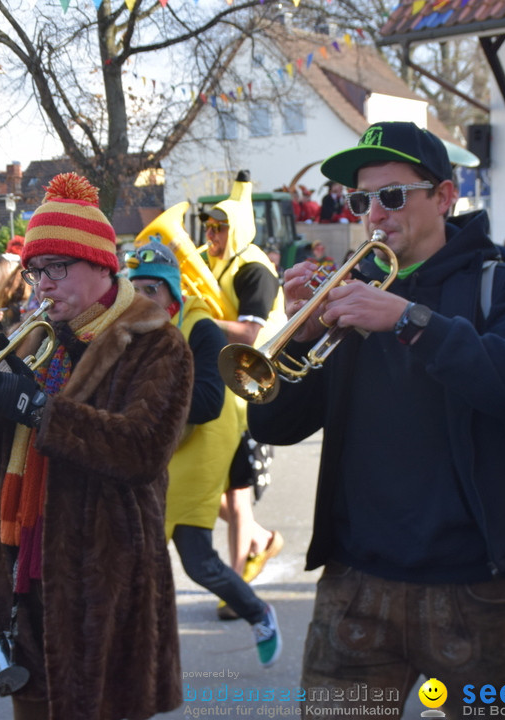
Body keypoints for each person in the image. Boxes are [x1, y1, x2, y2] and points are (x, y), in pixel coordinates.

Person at [248, 121, 505, 714]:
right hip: (355, 582)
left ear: (443, 197)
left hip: (475, 584)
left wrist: (410, 321)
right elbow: (274, 428)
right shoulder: (348, 293)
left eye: (392, 196)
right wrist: (296, 338)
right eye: (361, 200)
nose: (374, 215)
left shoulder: (503, 284)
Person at [0, 172, 191, 719]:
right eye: (36, 271)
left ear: (101, 265)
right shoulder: (38, 336)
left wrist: (36, 407)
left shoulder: (155, 342)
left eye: (56, 268)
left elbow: (142, 450)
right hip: (25, 570)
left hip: (105, 571)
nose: (42, 284)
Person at [126, 241, 281, 668]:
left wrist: (146, 407)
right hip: (163, 446)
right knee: (138, 554)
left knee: (196, 560)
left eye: (151, 289)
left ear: (172, 294)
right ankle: (141, 648)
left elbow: (210, 400)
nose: (142, 299)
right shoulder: (137, 331)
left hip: (205, 442)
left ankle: (259, 614)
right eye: (134, 289)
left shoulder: (200, 328)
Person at [198, 175, 285, 619]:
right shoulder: (210, 262)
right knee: (197, 485)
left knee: (234, 491)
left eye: (219, 228)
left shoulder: (254, 268)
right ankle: (260, 539)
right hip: (220, 385)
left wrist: (197, 322)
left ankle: (234, 584)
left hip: (251, 388)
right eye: (207, 227)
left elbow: (250, 333)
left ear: (237, 230)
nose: (210, 236)